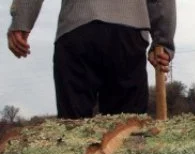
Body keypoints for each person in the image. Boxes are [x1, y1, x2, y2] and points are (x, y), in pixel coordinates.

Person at [7, 0, 176, 119]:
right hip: (128, 34)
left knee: (72, 127)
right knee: (127, 128)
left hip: (76, 30)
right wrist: (162, 40)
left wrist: (21, 19)